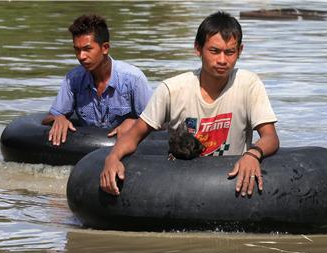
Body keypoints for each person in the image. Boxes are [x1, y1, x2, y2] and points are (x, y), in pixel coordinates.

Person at [100, 11, 279, 197]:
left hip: (228, 183)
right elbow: (134, 135)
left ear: (240, 51)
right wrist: (112, 157)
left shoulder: (249, 84)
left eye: (230, 52)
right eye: (214, 51)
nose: (222, 60)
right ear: (198, 49)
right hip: (182, 183)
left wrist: (252, 155)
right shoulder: (171, 89)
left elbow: (271, 137)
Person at [42, 14, 153, 146]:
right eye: (77, 50)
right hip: (87, 151)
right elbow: (48, 118)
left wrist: (134, 122)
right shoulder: (72, 79)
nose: (81, 56)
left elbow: (158, 123)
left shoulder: (134, 79)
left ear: (105, 48)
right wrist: (58, 118)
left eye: (87, 49)